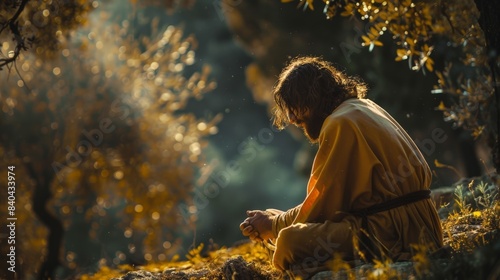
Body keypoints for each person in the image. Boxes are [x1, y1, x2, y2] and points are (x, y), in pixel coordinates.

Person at [239, 56, 443, 278]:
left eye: (296, 107)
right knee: (288, 231)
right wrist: (274, 220)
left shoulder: (339, 124)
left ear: (313, 98)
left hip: (393, 233)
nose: (292, 118)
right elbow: (329, 203)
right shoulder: (362, 107)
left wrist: (273, 224)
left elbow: (326, 208)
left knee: (289, 241)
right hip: (422, 224)